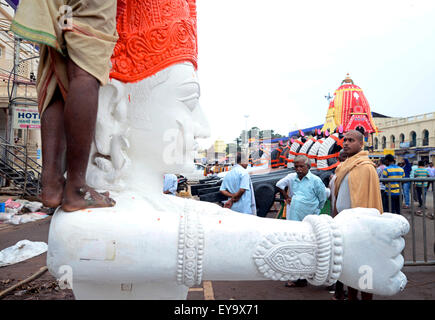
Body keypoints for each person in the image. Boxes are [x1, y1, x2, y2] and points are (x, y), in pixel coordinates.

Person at [11, 0, 118, 211]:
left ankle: (51, 185)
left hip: (59, 5)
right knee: (85, 71)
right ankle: (76, 188)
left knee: (57, 67)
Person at [334, 130, 383, 300]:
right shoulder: (344, 166)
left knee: (365, 266)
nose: (346, 143)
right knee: (350, 267)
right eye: (344, 140)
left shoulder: (366, 167)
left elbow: (368, 199)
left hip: (362, 227)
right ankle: (351, 297)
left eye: (351, 140)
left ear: (361, 144)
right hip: (344, 224)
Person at [276, 155, 326, 288]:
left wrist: (316, 211)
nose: (298, 169)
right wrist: (287, 197)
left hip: (309, 221)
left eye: (301, 166)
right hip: (295, 220)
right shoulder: (294, 179)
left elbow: (322, 199)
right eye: (296, 166)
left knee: (310, 248)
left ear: (308, 167)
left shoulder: (315, 180)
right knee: (295, 248)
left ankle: (309, 275)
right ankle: (298, 277)